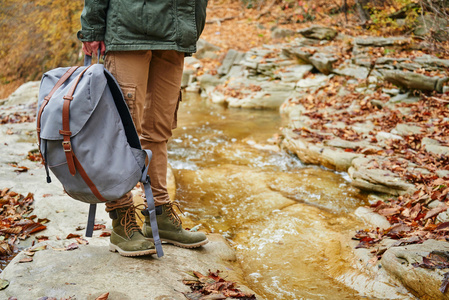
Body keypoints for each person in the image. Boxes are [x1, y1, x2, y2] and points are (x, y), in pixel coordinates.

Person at [77, 0, 209, 257]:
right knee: (120, 133)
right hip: (129, 30)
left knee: (159, 131)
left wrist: (191, 25)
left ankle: (159, 214)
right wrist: (92, 29)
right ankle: (122, 221)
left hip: (175, 35)